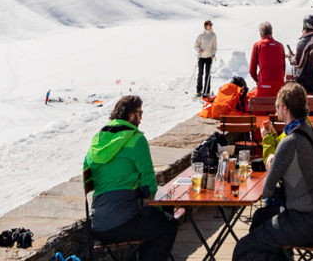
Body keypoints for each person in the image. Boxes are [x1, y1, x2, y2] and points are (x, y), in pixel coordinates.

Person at [233, 82, 313, 261]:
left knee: (244, 247)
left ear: (285, 108)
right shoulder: (312, 132)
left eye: (277, 106)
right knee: (260, 218)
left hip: (302, 222)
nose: (276, 110)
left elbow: (267, 191)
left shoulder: (290, 141)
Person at [83, 94, 179, 261]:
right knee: (168, 224)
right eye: (140, 113)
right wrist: (158, 209)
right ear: (130, 115)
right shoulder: (136, 139)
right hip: (122, 223)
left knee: (158, 222)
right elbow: (148, 184)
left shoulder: (97, 142)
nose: (141, 118)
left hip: (98, 225)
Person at [250, 21, 287, 98]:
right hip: (279, 88)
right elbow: (283, 69)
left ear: (261, 34)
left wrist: (258, 81)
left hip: (264, 86)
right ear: (271, 32)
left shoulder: (258, 45)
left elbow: (252, 71)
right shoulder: (280, 46)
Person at [292, 15, 313, 90]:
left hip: (302, 80)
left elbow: (298, 63)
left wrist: (291, 58)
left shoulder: (304, 42)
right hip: (312, 79)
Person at [195, 20, 218, 99]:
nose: (210, 26)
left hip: (209, 57)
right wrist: (199, 50)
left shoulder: (213, 35)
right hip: (201, 57)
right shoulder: (201, 35)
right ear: (205, 26)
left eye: (211, 24)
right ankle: (199, 91)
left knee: (208, 75)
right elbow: (196, 45)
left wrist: (213, 54)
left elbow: (215, 46)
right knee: (200, 74)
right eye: (209, 24)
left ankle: (206, 91)